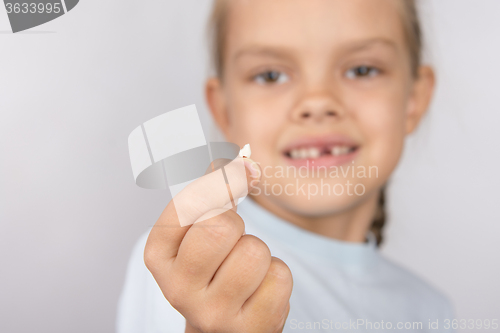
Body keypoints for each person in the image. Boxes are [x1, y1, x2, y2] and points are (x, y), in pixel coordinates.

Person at [117, 0, 456, 332]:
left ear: (414, 100)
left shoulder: (431, 311)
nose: (317, 102)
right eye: (271, 75)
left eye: (361, 70)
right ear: (224, 112)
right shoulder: (192, 269)